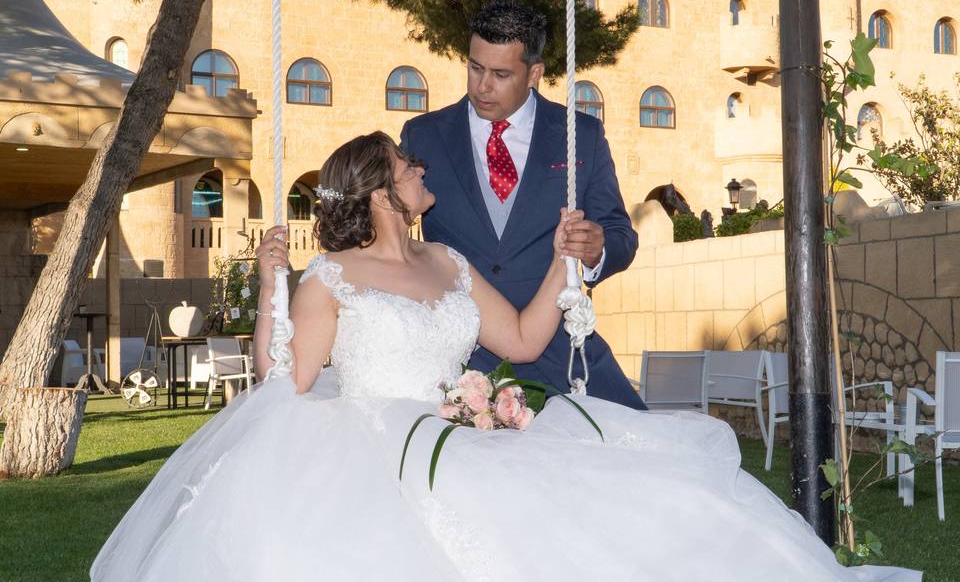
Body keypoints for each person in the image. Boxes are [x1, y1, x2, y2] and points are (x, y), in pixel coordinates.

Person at [91, 132, 918, 582]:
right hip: (373, 449)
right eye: (409, 166)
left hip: (469, 434)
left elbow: (521, 339)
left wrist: (567, 257)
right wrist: (274, 283)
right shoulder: (329, 278)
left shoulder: (447, 261)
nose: (423, 170)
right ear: (382, 191)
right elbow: (290, 382)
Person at [400, 0, 646, 409]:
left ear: (534, 74)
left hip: (564, 358)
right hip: (461, 365)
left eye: (500, 74)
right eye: (475, 68)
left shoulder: (579, 134)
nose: (482, 86)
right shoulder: (423, 136)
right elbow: (388, 233)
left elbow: (621, 236)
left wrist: (598, 249)